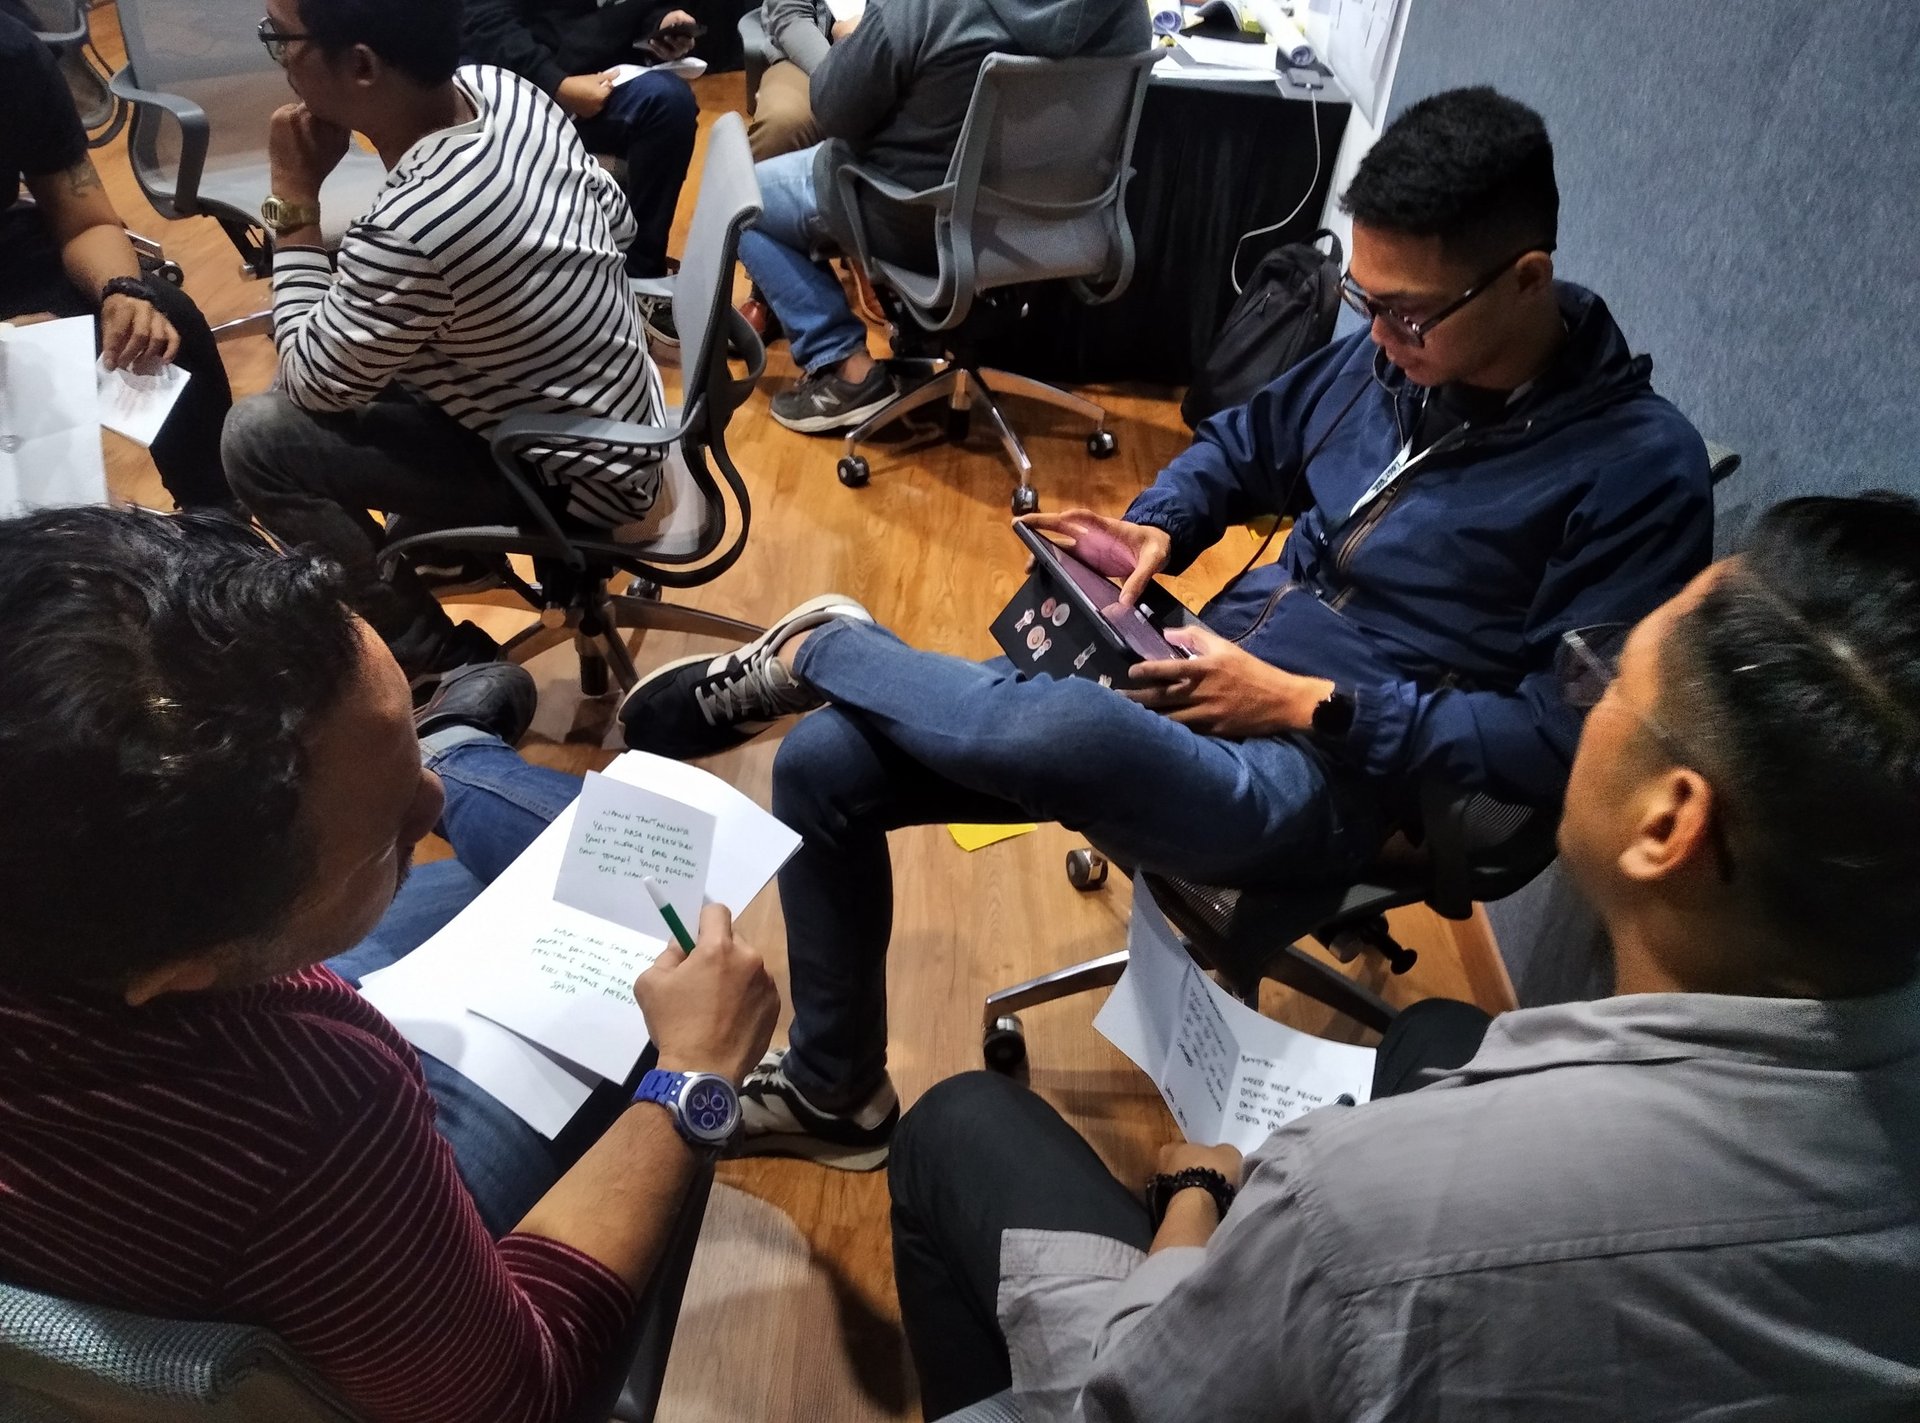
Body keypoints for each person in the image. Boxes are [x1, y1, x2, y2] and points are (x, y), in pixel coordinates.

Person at [618, 88, 1716, 1168]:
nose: (1380, 338)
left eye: (1409, 313)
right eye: (1367, 303)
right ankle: (835, 1088)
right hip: (1204, 667)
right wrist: (1157, 529)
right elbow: (1245, 445)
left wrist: (1304, 704)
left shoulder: (1634, 473)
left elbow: (1551, 742)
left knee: (1065, 736)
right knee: (821, 762)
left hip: (1339, 775)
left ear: (1527, 278)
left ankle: (822, 649)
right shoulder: (1398, 359)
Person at [886, 490, 1920, 1421]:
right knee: (1435, 1030)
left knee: (955, 1125)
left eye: (1602, 678)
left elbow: (1137, 1394)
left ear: (1668, 824)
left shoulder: (1348, 1208)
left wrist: (1194, 1195)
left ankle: (815, 653)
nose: (1585, 694)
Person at [0, 505, 780, 1423]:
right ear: (187, 968)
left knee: (462, 894)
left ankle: (461, 738)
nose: (432, 801)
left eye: (409, 725)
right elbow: (521, 1398)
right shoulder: (311, 1117)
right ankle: (471, 743)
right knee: (653, 1009)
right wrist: (696, 1081)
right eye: (387, 833)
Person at [222, 0, 674, 690]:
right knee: (392, 348)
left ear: (362, 65)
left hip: (570, 481)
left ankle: (436, 662)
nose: (279, 58)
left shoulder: (412, 225)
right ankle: (460, 551)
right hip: (630, 417)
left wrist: (292, 201)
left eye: (281, 39)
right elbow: (613, 221)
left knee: (257, 440)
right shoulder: (503, 90)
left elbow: (308, 381)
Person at [740, 0, 1149, 434]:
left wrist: (854, 42)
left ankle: (845, 370)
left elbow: (835, 107)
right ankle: (923, 334)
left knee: (742, 199)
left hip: (914, 220)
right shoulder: (1128, 11)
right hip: (1057, 231)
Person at [0, 5, 232, 509]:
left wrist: (122, 291)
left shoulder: (11, 54)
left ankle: (218, 525)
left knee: (166, 325)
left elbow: (85, 219)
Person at [460, 0, 701, 337]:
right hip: (520, 81)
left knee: (670, 104)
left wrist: (660, 23)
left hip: (606, 77)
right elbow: (481, 18)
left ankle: (642, 277)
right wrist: (557, 84)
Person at [747, 0, 842, 162]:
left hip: (893, 58)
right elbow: (792, 15)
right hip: (812, 57)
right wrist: (843, 78)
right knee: (783, 125)